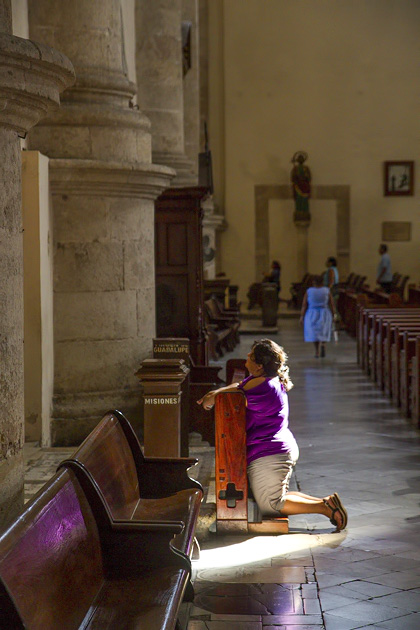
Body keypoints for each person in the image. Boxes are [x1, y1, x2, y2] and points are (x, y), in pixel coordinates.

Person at [197, 339, 348, 531]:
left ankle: (324, 508)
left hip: (270, 453)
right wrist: (216, 392)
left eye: (250, 356)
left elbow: (234, 392)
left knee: (272, 505)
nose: (246, 359)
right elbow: (237, 387)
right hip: (277, 448)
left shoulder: (263, 386)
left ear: (259, 365)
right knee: (277, 497)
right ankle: (326, 502)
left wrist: (213, 395)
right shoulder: (263, 379)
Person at [300, 275, 335, 358]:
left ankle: (317, 351)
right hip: (325, 312)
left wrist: (302, 316)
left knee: (314, 333)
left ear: (313, 282)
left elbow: (304, 305)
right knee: (324, 330)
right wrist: (334, 314)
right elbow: (331, 304)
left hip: (312, 313)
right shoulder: (326, 291)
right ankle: (323, 344)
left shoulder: (309, 291)